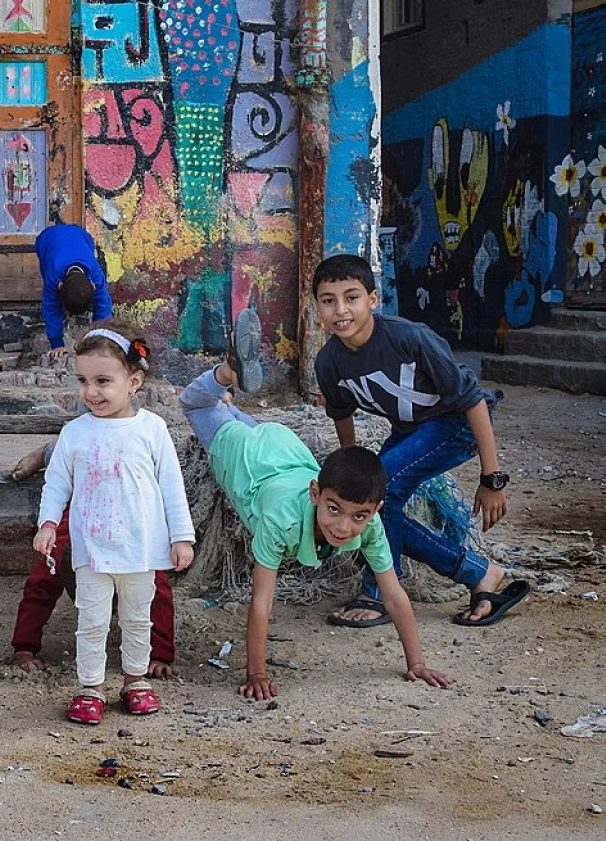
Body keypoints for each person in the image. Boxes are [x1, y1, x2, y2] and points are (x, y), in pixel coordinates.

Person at [179, 360, 453, 700]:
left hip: (283, 446)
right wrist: (256, 673)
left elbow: (394, 595)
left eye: (358, 517)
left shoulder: (370, 525)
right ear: (315, 494)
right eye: (334, 509)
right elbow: (262, 600)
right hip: (244, 456)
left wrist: (417, 663)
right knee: (194, 403)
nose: (343, 527)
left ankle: (228, 402)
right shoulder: (282, 521)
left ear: (375, 511)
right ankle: (224, 372)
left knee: (234, 416)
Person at [312, 254, 530, 629]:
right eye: (328, 300)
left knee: (388, 488)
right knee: (367, 497)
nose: (340, 310)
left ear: (373, 300)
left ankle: (377, 593)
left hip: (456, 423)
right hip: (410, 428)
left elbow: (473, 399)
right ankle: (480, 573)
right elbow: (341, 413)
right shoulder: (329, 362)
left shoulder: (409, 338)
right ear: (316, 305)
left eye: (352, 297)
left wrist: (491, 478)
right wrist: (349, 471)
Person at [32, 325, 194, 725]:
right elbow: (57, 483)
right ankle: (91, 687)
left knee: (139, 617)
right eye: (84, 381)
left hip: (141, 548)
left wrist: (181, 537)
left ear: (134, 381)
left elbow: (172, 485)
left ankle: (135, 681)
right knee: (92, 620)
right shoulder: (75, 433)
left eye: (103, 381)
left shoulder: (152, 429)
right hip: (91, 549)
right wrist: (48, 524)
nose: (91, 392)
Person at [9, 444, 177, 678]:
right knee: (50, 572)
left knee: (150, 584)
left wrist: (161, 655)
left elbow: (159, 591)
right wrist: (24, 648)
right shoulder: (65, 542)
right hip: (84, 517)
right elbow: (40, 586)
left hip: (127, 515)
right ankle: (47, 452)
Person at [33, 224, 113, 361]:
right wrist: (56, 344)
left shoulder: (96, 275)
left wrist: (100, 341)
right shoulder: (53, 276)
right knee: (50, 292)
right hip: (46, 239)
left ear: (93, 285)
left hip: (82, 235)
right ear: (60, 285)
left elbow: (103, 305)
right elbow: (50, 308)